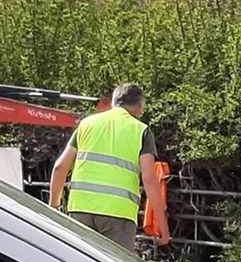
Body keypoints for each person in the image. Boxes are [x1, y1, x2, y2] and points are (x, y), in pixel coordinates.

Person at [49, 84, 171, 250]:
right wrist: (162, 226)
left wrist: (53, 208)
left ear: (113, 103)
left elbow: (60, 167)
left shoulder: (86, 124)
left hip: (80, 210)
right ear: (139, 108)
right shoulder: (141, 130)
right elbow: (149, 179)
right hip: (119, 216)